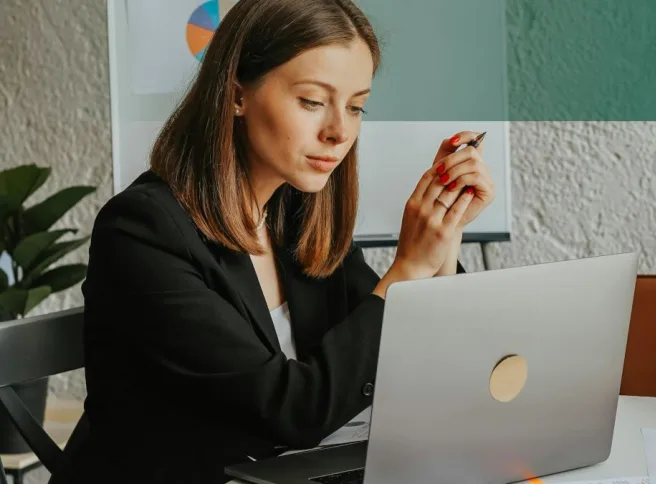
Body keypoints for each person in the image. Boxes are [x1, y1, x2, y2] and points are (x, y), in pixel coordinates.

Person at [50, 0, 494, 483]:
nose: (339, 132)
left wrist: (444, 236)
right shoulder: (141, 231)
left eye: (355, 106)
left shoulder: (293, 213)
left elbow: (401, 358)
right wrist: (406, 269)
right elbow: (293, 410)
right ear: (237, 94)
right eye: (312, 101)